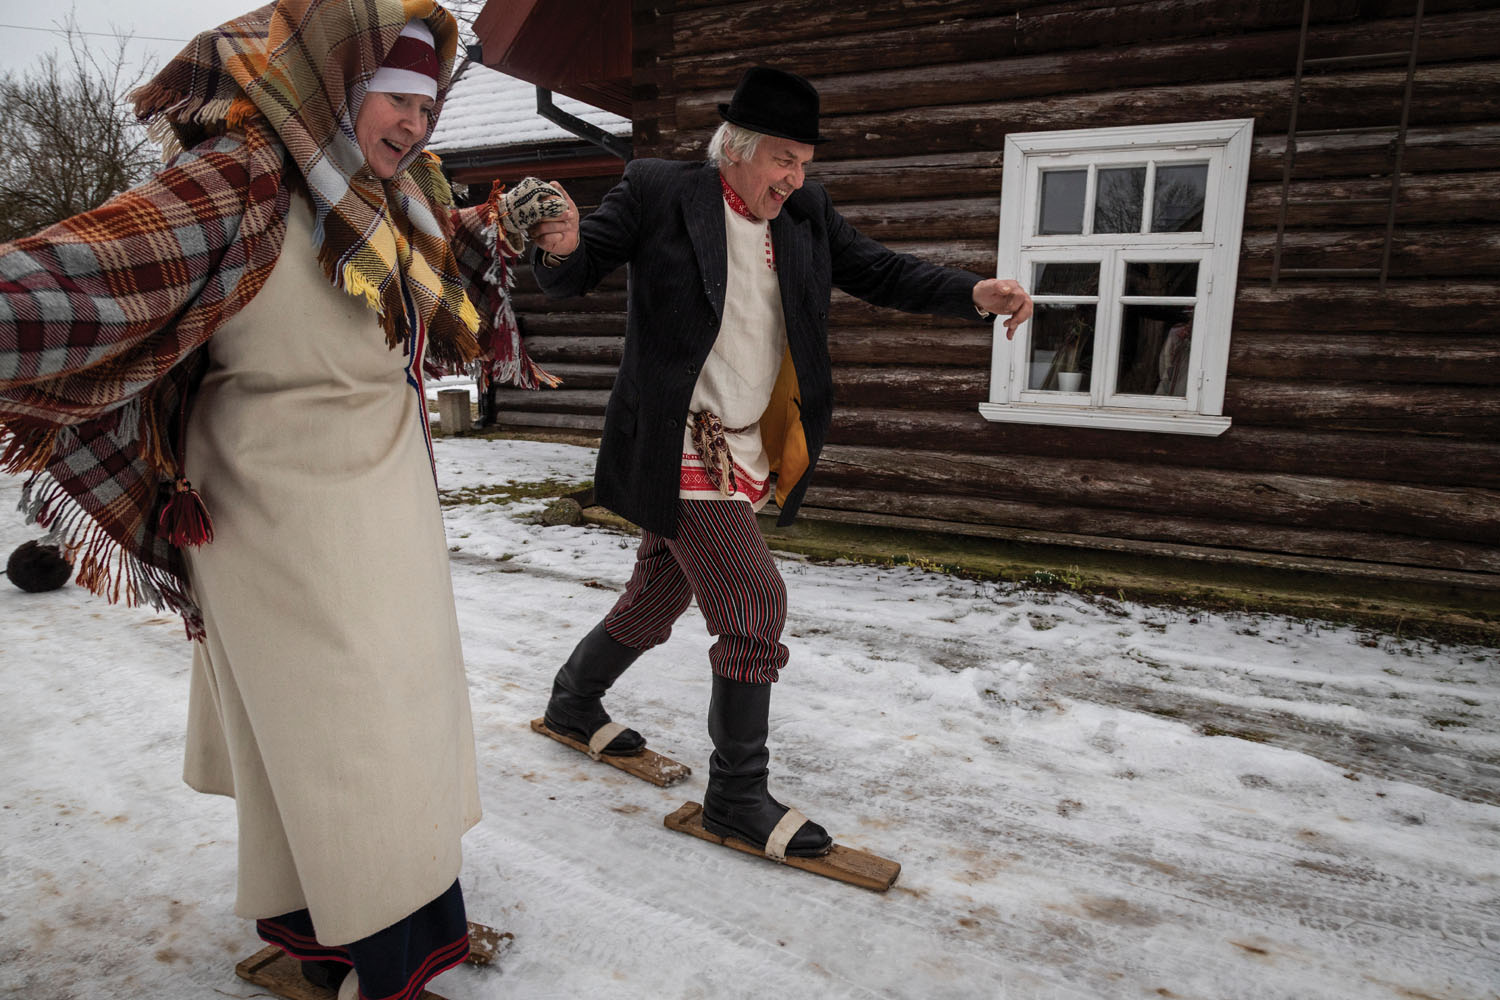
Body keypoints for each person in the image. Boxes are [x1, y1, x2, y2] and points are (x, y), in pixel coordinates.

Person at [0, 2, 559, 997]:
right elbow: (85, 271)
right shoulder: (241, 176)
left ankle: (331, 939)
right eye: (398, 100)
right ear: (334, 80)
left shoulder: (396, 187)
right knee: (347, 740)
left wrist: (510, 222)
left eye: (427, 108)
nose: (416, 126)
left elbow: (442, 259)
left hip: (380, 498)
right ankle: (384, 966)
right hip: (275, 508)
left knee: (379, 730)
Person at [528, 67, 1033, 859]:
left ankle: (572, 701)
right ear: (735, 149)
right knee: (754, 603)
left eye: (804, 162)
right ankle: (735, 796)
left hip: (746, 441)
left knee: (658, 597)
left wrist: (973, 292)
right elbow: (579, 268)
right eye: (782, 160)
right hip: (677, 440)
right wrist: (557, 247)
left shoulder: (805, 213)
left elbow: (879, 269)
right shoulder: (659, 189)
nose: (794, 178)